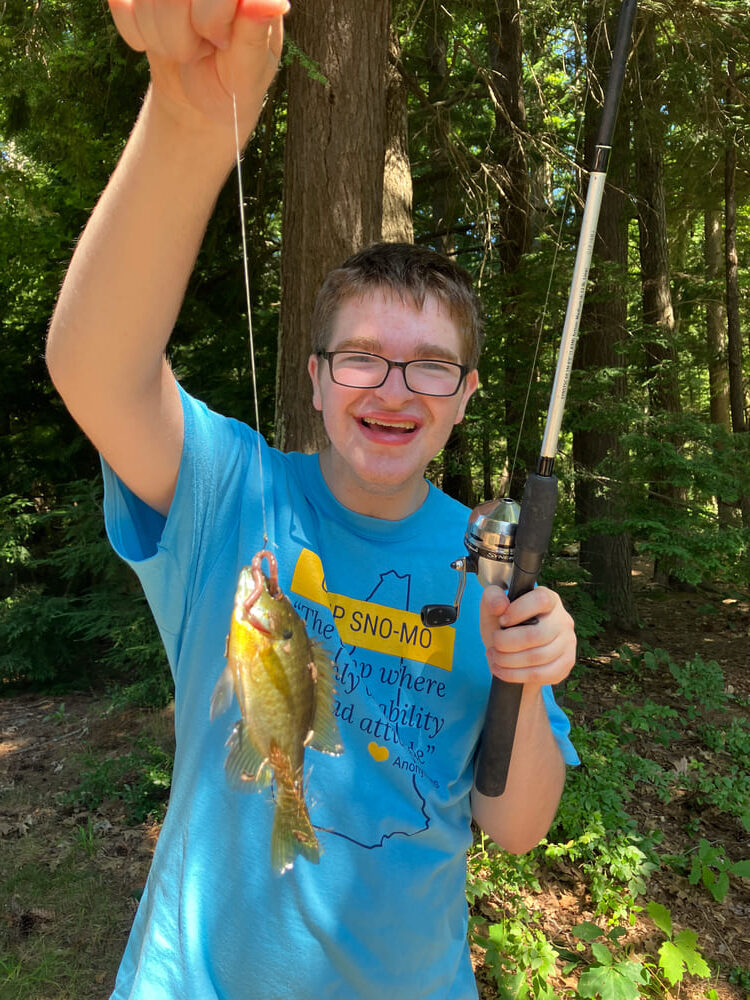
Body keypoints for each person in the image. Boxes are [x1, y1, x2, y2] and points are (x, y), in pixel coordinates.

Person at [46, 2, 579, 997]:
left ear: (464, 398)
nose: (392, 388)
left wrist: (531, 671)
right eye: (363, 358)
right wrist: (188, 121)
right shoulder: (231, 489)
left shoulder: (491, 567)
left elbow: (518, 826)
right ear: (317, 376)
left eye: (430, 367)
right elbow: (94, 368)